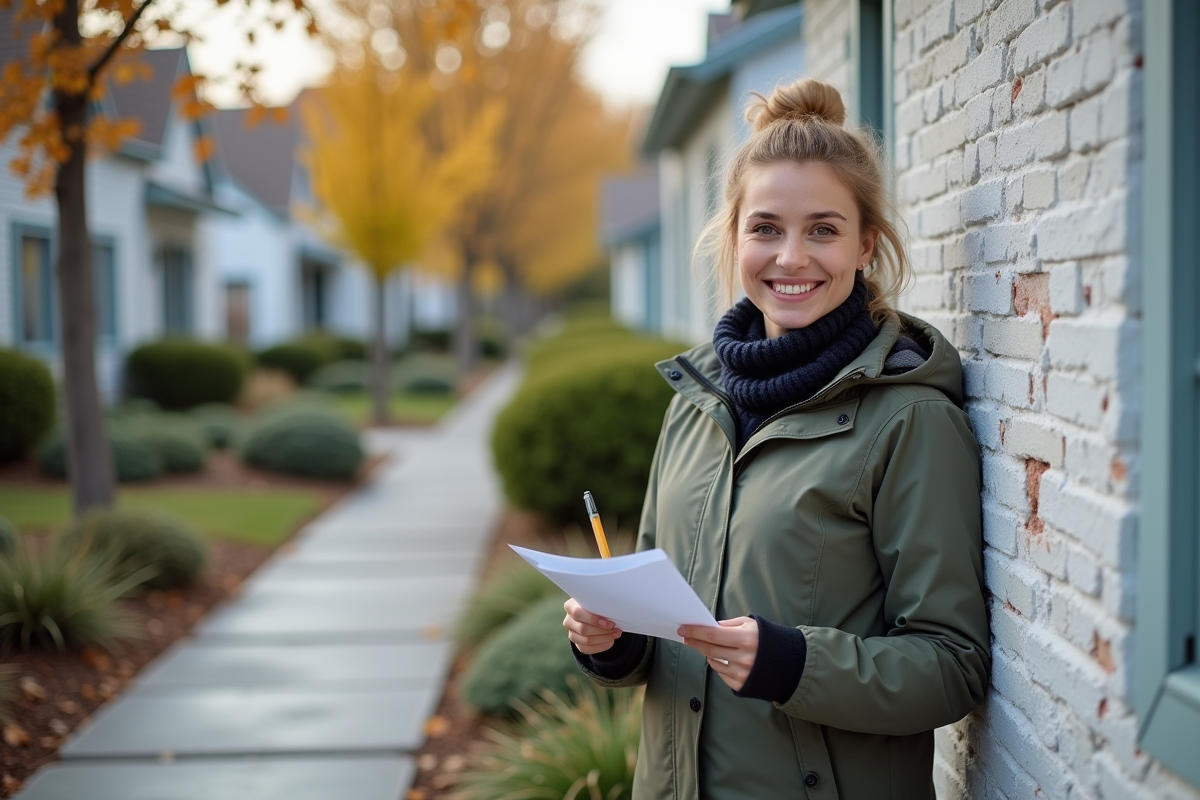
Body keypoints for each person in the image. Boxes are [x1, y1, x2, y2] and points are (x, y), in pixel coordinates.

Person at [562, 77, 989, 800]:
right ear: (734, 240)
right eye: (766, 228)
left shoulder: (910, 420)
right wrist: (614, 639)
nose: (791, 257)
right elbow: (662, 616)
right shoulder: (694, 402)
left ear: (866, 246)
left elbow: (952, 667)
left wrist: (794, 664)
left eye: (822, 229)